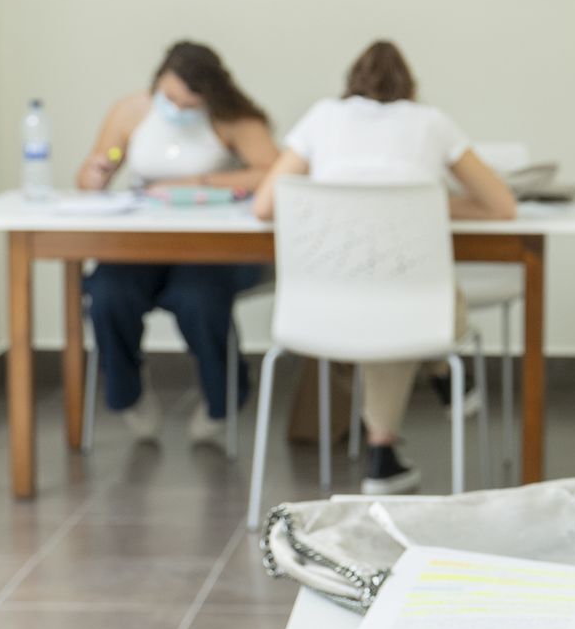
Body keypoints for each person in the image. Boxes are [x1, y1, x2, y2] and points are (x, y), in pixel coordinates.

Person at [254, 40, 516, 494]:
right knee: (404, 301)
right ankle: (418, 403)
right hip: (417, 311)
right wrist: (429, 203)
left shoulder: (322, 117)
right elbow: (502, 206)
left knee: (381, 301)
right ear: (409, 87)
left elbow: (264, 206)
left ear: (350, 85)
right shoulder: (430, 122)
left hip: (322, 311)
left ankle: (387, 449)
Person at [77, 41, 277, 445]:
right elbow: (91, 173)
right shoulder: (130, 112)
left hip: (210, 250)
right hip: (141, 245)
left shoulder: (234, 118)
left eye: (189, 105)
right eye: (170, 99)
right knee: (108, 293)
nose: (177, 110)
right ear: (157, 83)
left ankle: (223, 398)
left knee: (197, 299)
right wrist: (95, 175)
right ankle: (127, 394)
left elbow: (274, 173)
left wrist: (198, 182)